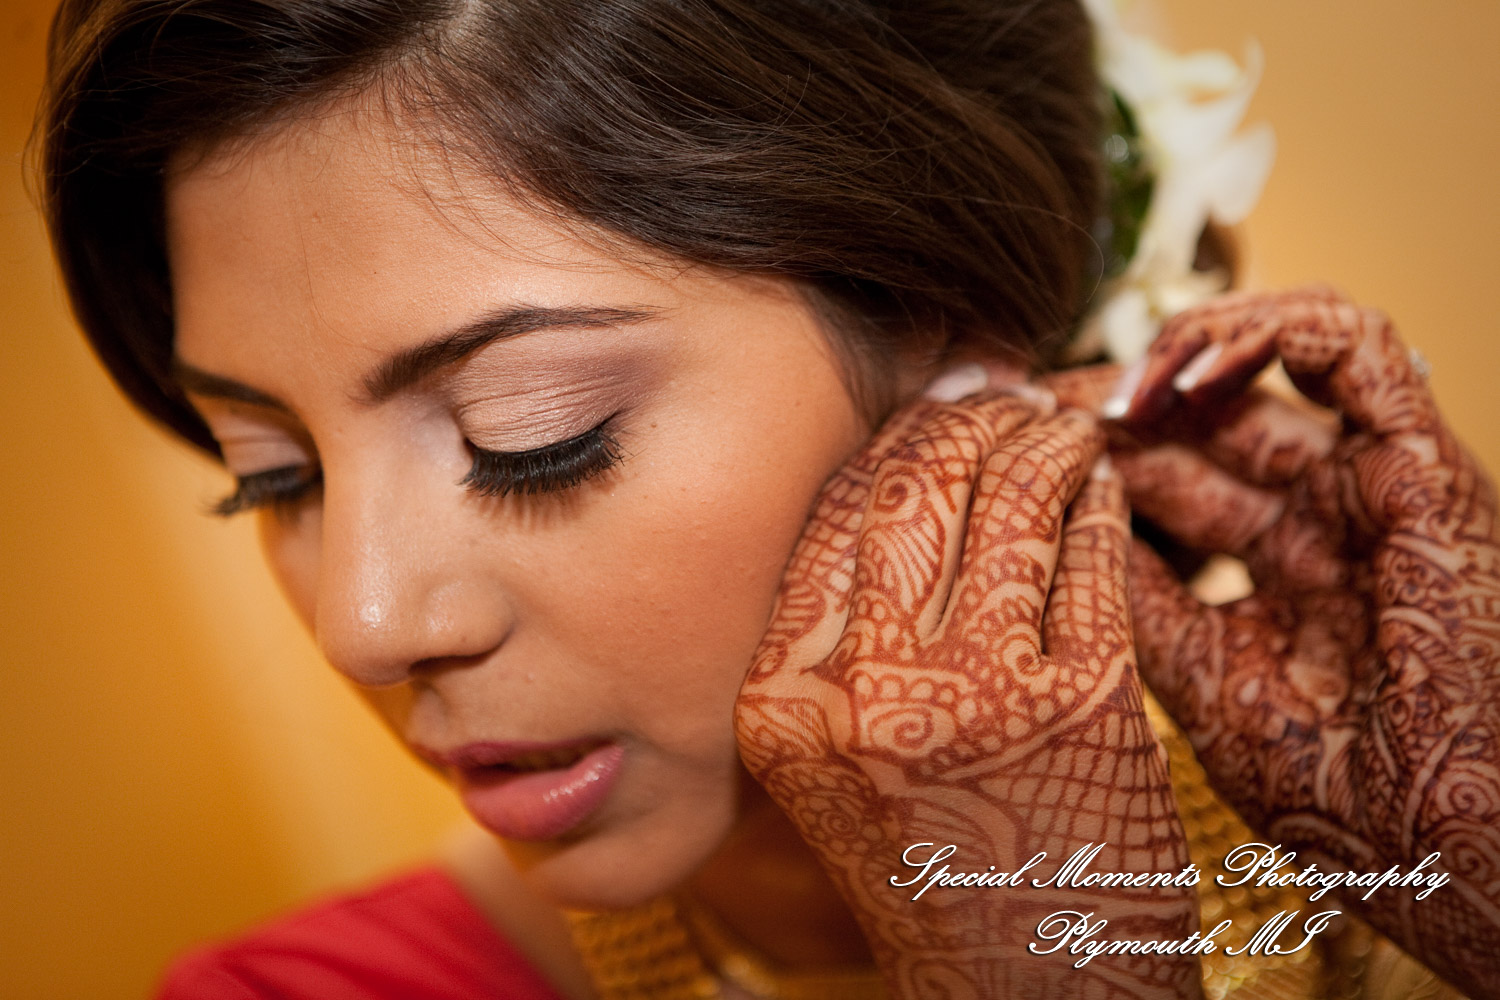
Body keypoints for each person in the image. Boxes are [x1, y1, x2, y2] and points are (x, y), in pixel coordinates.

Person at [34, 0, 1499, 997]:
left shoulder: (1432, 832)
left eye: (530, 435)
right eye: (269, 480)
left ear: (966, 361)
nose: (363, 623)